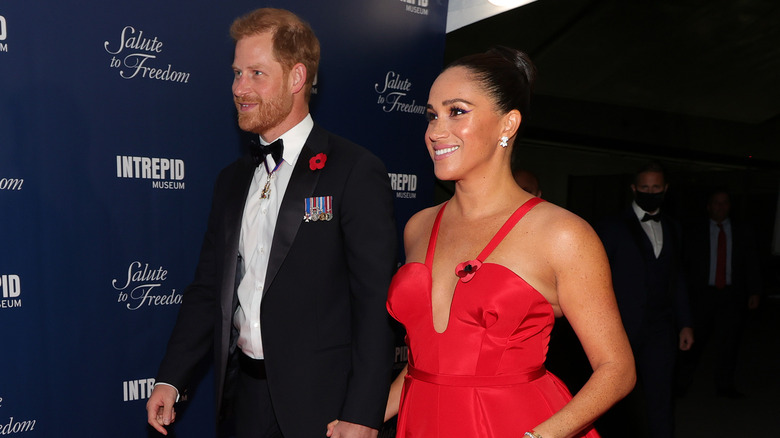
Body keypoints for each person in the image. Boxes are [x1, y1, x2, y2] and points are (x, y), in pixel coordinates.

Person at [145, 8, 397, 438]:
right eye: (237, 73)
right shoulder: (231, 180)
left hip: (325, 408)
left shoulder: (354, 170)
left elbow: (376, 304)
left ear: (297, 78)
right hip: (243, 400)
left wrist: (364, 411)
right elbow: (209, 288)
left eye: (256, 74)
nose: (240, 88)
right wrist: (171, 376)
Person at [370, 47, 635, 438]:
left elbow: (617, 369)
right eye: (431, 115)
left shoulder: (562, 234)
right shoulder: (418, 226)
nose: (435, 131)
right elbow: (426, 364)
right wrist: (365, 419)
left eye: (456, 111)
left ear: (507, 124)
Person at [595, 162, 694, 438]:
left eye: (656, 188)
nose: (651, 192)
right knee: (614, 397)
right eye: (645, 187)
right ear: (634, 188)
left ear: (665, 189)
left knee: (661, 395)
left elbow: (679, 278)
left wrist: (685, 323)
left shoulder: (674, 228)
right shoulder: (611, 227)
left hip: (662, 327)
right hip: (620, 327)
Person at [677, 188, 761, 398]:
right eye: (716, 202)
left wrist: (755, 290)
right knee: (693, 341)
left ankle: (725, 385)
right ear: (708, 206)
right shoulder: (695, 231)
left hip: (732, 296)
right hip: (702, 295)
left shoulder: (743, 231)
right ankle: (681, 383)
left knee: (729, 342)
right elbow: (683, 265)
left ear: (730, 206)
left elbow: (752, 262)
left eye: (724, 203)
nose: (720, 207)